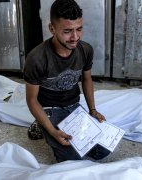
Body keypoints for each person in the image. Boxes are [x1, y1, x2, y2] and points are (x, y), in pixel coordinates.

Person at [24, 0, 110, 162]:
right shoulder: (36, 58)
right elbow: (32, 99)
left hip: (73, 106)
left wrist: (92, 110)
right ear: (52, 29)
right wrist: (52, 131)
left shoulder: (85, 50)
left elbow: (87, 79)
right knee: (71, 160)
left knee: (102, 151)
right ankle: (41, 125)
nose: (75, 37)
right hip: (49, 108)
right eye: (67, 31)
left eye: (79, 29)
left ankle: (51, 125)